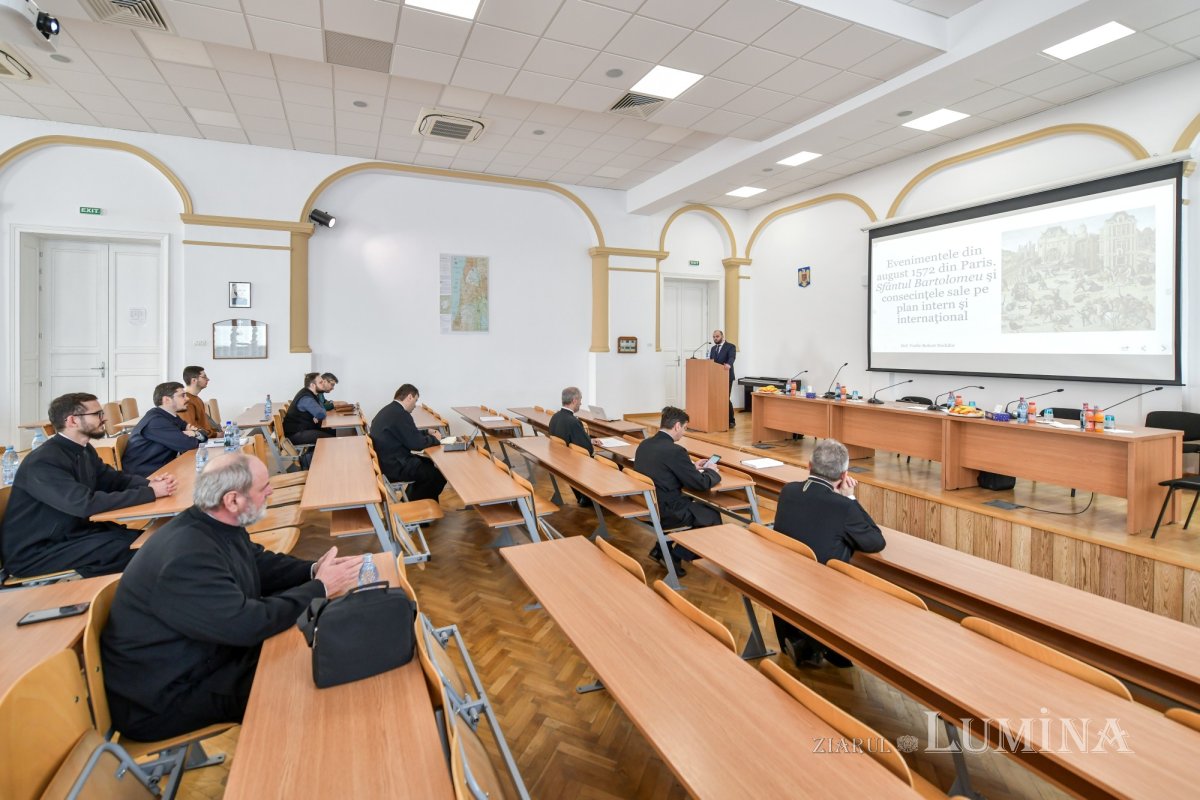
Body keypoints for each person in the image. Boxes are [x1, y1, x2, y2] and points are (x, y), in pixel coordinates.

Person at [100, 453, 361, 741]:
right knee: (303, 677)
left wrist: (313, 570)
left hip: (204, 655)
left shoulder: (211, 524)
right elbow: (247, 624)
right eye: (263, 488)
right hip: (166, 696)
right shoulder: (186, 557)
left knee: (317, 646)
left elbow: (258, 563)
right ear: (233, 500)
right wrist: (320, 588)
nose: (271, 491)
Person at [0, 392, 176, 578]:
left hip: (71, 534)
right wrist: (150, 493)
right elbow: (84, 504)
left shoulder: (84, 450)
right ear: (72, 421)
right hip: (37, 551)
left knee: (147, 540)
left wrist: (150, 483)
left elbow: (113, 480)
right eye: (98, 414)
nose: (105, 418)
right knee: (134, 551)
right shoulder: (43, 461)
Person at [772, 438, 886, 668]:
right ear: (844, 476)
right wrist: (851, 498)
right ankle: (822, 646)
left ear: (808, 466)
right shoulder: (842, 506)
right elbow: (875, 541)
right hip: (823, 589)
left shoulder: (789, 490)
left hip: (785, 576)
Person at [633, 406, 722, 572]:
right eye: (685, 428)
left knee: (698, 509)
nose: (684, 433)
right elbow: (701, 484)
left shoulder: (645, 444)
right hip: (668, 511)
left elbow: (663, 470)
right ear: (677, 426)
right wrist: (711, 470)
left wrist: (690, 467)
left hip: (647, 504)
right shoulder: (675, 451)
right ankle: (675, 556)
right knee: (712, 516)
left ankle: (661, 549)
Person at [370, 384, 447, 502]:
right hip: (396, 466)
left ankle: (414, 502)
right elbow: (416, 444)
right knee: (437, 476)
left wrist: (427, 432)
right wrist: (436, 439)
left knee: (429, 463)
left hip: (387, 461)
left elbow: (407, 434)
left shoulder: (389, 410)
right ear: (409, 397)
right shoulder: (401, 414)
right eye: (415, 401)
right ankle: (417, 510)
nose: (415, 405)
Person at [121, 382, 202, 478]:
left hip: (161, 466)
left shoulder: (171, 416)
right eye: (182, 395)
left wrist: (193, 433)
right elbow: (189, 444)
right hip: (144, 474)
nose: (187, 398)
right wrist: (192, 434)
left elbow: (201, 434)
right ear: (167, 400)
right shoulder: (156, 421)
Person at [549, 386, 602, 507]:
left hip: (559, 458)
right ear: (574, 400)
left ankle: (584, 497)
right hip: (573, 463)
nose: (581, 403)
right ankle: (590, 497)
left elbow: (570, 437)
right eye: (580, 400)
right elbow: (587, 450)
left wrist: (590, 439)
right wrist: (589, 443)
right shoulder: (573, 421)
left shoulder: (555, 417)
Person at [283, 372, 333, 467]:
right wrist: (318, 413)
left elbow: (320, 410)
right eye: (321, 382)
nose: (324, 384)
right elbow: (321, 413)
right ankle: (318, 465)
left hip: (303, 429)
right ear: (313, 385)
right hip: (296, 434)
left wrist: (318, 412)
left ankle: (322, 462)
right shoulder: (306, 398)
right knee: (330, 439)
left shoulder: (312, 394)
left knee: (332, 431)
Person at [179, 365, 218, 438]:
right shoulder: (185, 401)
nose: (208, 379)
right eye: (204, 377)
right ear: (194, 380)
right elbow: (191, 428)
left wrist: (217, 432)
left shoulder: (197, 399)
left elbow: (204, 424)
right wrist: (215, 434)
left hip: (207, 438)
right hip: (197, 444)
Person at [709, 329, 737, 427]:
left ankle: (731, 421)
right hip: (715, 377)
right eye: (714, 337)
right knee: (716, 398)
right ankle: (719, 419)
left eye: (717, 336)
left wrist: (729, 364)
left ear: (722, 336)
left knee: (725, 398)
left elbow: (732, 357)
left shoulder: (730, 346)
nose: (715, 338)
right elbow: (711, 361)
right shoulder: (713, 348)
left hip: (726, 376)